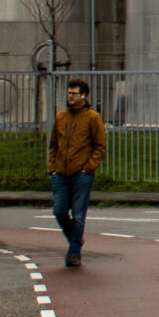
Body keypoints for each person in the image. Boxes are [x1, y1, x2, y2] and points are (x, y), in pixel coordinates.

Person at [48, 77, 106, 267]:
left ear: (83, 95)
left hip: (81, 174)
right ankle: (76, 239)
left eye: (74, 94)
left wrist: (88, 168)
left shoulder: (92, 117)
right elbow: (53, 144)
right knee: (60, 211)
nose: (70, 97)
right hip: (60, 173)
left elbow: (100, 146)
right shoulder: (61, 117)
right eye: (69, 93)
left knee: (79, 214)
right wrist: (53, 168)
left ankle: (74, 252)